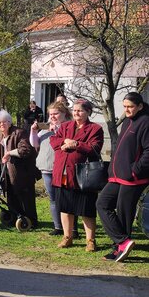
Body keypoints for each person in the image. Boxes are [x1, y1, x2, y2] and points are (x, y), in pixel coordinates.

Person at [97, 92, 149, 262]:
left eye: (130, 107)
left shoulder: (146, 122)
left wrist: (134, 170)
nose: (126, 110)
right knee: (102, 203)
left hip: (135, 177)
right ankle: (122, 242)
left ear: (140, 106)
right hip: (118, 175)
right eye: (125, 106)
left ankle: (119, 248)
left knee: (124, 212)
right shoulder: (127, 121)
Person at [50, 99, 104, 252]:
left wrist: (76, 144)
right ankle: (67, 237)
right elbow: (54, 141)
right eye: (74, 110)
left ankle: (90, 240)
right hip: (63, 173)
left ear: (88, 112)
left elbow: (94, 149)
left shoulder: (95, 128)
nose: (76, 113)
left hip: (83, 175)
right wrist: (65, 141)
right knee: (65, 207)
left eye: (80, 110)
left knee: (86, 208)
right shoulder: (66, 126)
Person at [0, 110, 39, 228]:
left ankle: (31, 221)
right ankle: (15, 218)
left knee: (26, 199)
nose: (2, 124)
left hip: (23, 172)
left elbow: (25, 149)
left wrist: (10, 153)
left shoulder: (20, 133)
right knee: (11, 197)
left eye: (5, 122)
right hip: (7, 174)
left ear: (10, 122)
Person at [30, 101, 72, 236]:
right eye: (50, 114)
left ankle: (72, 229)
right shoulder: (45, 128)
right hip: (46, 168)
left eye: (56, 113)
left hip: (64, 168)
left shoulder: (69, 127)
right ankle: (58, 226)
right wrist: (33, 131)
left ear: (64, 114)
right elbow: (34, 143)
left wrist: (57, 131)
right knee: (53, 198)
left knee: (67, 198)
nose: (52, 116)